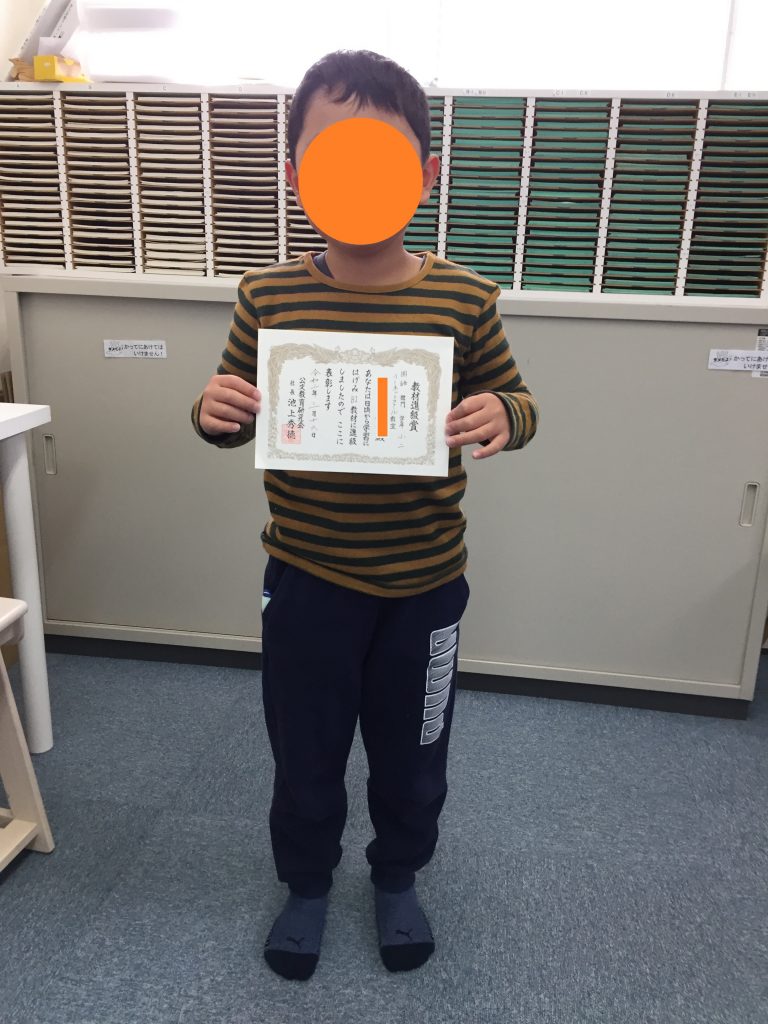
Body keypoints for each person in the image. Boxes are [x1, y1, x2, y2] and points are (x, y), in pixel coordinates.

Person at [191, 48, 539, 981]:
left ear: (424, 174)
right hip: (307, 579)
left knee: (415, 748)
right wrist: (211, 411)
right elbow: (231, 409)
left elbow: (519, 401)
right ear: (295, 172)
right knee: (304, 749)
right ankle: (307, 883)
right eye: (331, 155)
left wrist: (503, 414)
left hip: (425, 586)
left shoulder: (464, 298)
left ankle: (398, 876)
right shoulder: (268, 296)